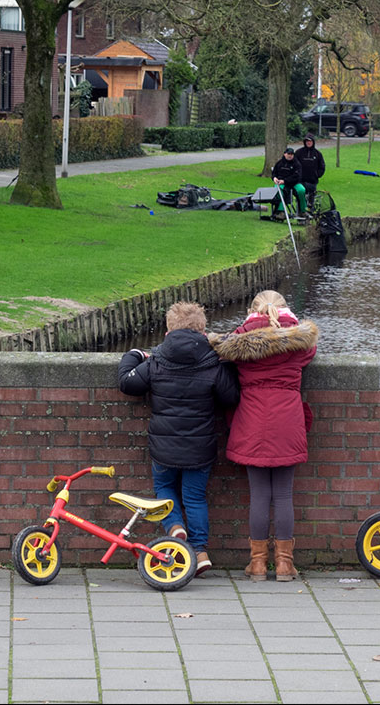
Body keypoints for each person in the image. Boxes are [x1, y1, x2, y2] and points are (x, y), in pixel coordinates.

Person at [118, 301, 240, 577]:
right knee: (195, 497)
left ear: (168, 330)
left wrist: (136, 353)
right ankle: (200, 551)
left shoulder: (157, 359)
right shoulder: (212, 362)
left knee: (164, 488)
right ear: (203, 329)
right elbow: (231, 396)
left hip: (164, 446)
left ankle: (174, 527)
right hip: (200, 446)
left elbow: (127, 382)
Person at [209, 290, 318, 581]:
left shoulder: (239, 344)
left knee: (259, 495)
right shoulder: (299, 342)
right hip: (287, 421)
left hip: (252, 421)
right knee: (283, 494)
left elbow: (225, 350)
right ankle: (284, 564)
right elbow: (311, 351)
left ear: (251, 312)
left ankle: (257, 564)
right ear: (285, 311)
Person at [271, 147, 307, 218]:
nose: (290, 155)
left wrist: (285, 181)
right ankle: (281, 211)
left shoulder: (297, 164)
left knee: (302, 190)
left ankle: (303, 211)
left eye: (291, 154)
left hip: (294, 183)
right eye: (288, 154)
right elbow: (274, 173)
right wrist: (274, 178)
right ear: (285, 154)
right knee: (278, 190)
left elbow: (297, 176)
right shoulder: (279, 163)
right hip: (281, 183)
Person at [294, 134, 325, 210]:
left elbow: (322, 167)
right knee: (300, 197)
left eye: (310, 141)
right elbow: (294, 164)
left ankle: (310, 212)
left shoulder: (318, 154)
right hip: (300, 181)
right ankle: (301, 212)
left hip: (312, 182)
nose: (308, 143)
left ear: (313, 142)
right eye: (307, 141)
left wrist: (317, 175)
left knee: (311, 201)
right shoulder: (298, 152)